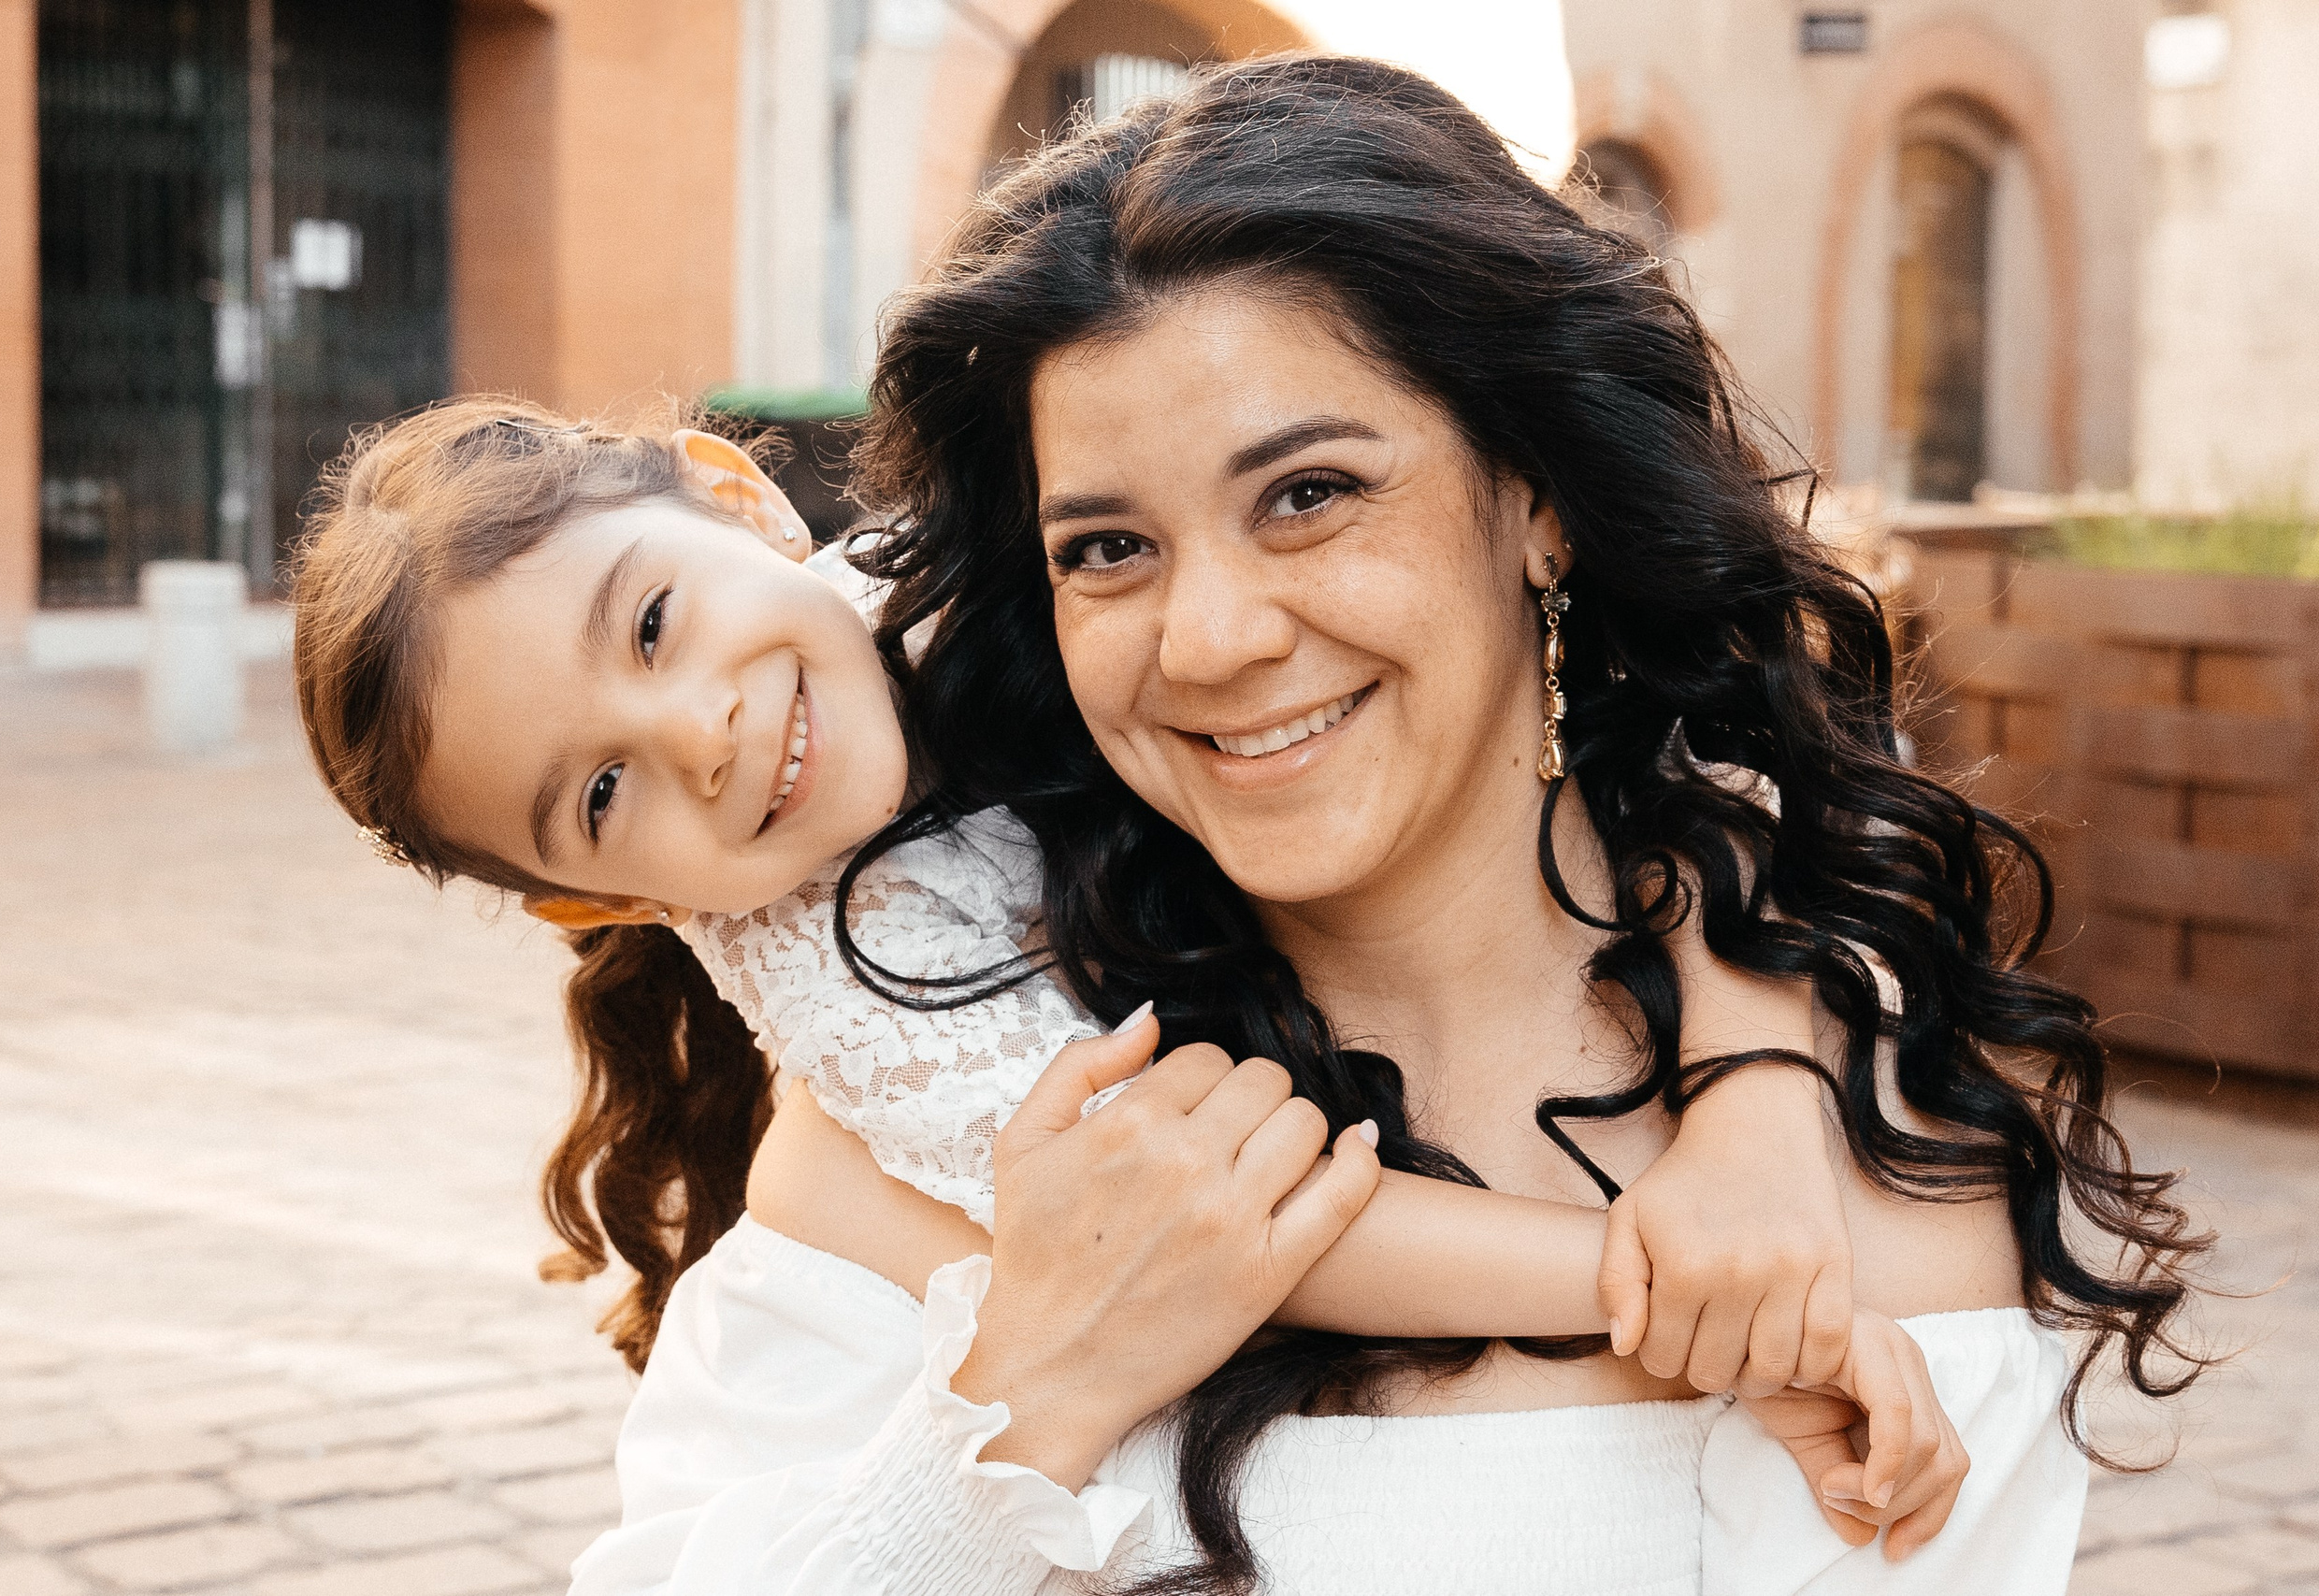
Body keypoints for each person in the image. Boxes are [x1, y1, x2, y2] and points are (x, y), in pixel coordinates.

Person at [566, 51, 2198, 1594]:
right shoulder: (945, 1143)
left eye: (1309, 494)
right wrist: (1024, 1391)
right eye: (1107, 550)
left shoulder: (1865, 1154)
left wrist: (1759, 1075)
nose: (1208, 640)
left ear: (1541, 500)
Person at [288, 391, 1954, 1537]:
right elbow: (1254, 1226)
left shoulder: (1018, 548)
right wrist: (1667, 1285)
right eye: (599, 795)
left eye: (652, 627)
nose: (699, 733)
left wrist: (1749, 1104)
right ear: (603, 910)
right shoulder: (873, 1001)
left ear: (734, 498)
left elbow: (1646, 765)